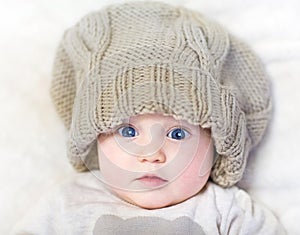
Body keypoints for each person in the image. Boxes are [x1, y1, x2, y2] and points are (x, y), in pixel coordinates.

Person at [13, 1, 286, 234]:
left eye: (177, 134)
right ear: (94, 138)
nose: (151, 154)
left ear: (218, 147)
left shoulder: (228, 210)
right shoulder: (67, 202)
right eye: (128, 132)